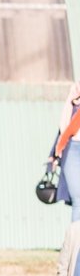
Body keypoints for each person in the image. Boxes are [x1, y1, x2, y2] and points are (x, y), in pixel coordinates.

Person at [51, 81, 80, 219]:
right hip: (73, 149)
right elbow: (63, 129)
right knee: (78, 199)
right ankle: (77, 239)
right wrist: (70, 99)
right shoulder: (74, 104)